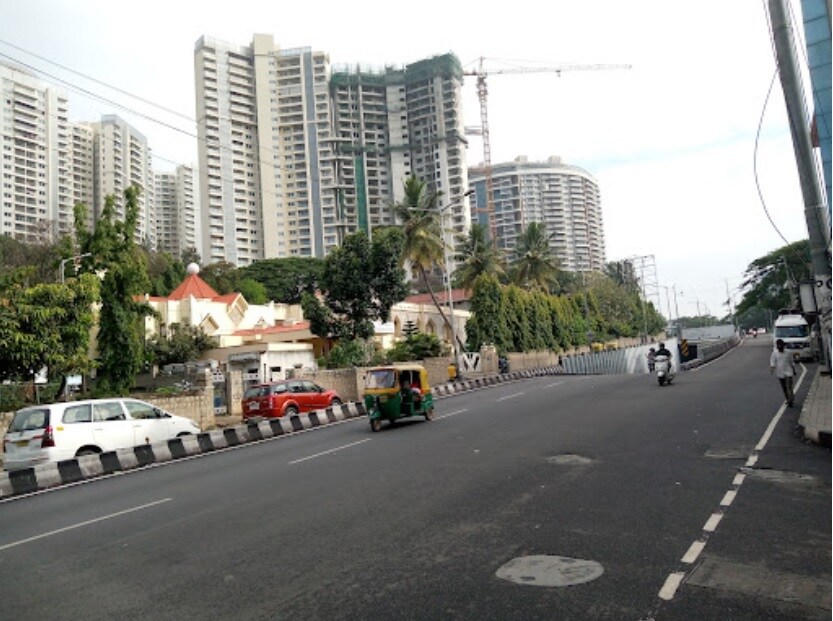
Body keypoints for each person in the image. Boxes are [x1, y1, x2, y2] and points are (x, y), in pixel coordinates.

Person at [770, 338, 797, 407]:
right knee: (784, 388)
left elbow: (792, 362)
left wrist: (794, 371)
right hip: (780, 373)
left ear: (783, 346)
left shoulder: (788, 353)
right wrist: (772, 368)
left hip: (788, 372)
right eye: (778, 346)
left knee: (789, 387)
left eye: (781, 346)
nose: (780, 347)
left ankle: (790, 398)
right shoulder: (775, 353)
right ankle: (788, 399)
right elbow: (772, 362)